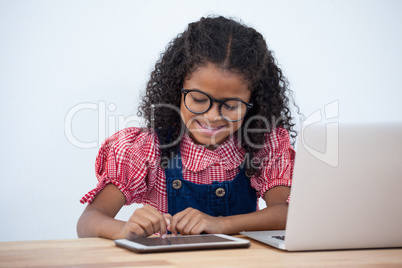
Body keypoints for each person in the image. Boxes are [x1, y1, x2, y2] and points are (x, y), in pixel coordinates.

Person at [77, 16, 298, 240]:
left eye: (231, 106)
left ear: (254, 104)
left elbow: (287, 214)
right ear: (177, 89)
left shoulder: (261, 145)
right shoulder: (146, 149)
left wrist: (221, 224)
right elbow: (88, 222)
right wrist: (124, 230)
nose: (212, 117)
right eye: (199, 100)